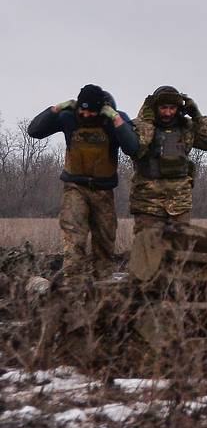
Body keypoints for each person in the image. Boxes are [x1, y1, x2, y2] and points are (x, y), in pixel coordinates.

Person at [27, 85, 140, 284]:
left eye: (91, 111)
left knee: (105, 239)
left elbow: (133, 148)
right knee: (74, 234)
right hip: (75, 187)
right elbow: (34, 130)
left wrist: (116, 119)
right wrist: (57, 108)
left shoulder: (114, 120)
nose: (86, 114)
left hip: (103, 190)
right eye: (83, 109)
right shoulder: (68, 117)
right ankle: (73, 282)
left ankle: (103, 283)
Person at [129, 86, 207, 238]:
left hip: (179, 201)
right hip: (148, 201)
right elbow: (138, 147)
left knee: (179, 248)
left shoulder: (186, 128)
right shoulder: (140, 127)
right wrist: (146, 119)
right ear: (154, 108)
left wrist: (197, 116)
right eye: (163, 108)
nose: (167, 113)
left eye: (172, 108)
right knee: (148, 247)